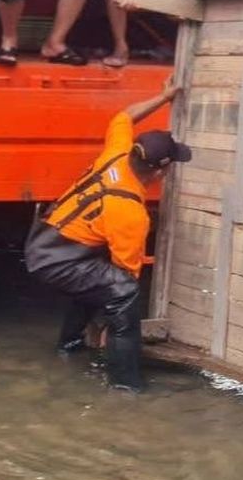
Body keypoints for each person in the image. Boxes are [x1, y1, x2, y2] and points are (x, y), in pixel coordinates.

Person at [24, 79, 188, 391]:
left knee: (100, 277)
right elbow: (125, 275)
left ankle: (68, 348)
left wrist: (164, 96)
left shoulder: (117, 153)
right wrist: (111, 323)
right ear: (158, 172)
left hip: (47, 238)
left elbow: (124, 116)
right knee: (124, 292)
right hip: (57, 259)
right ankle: (126, 386)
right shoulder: (130, 212)